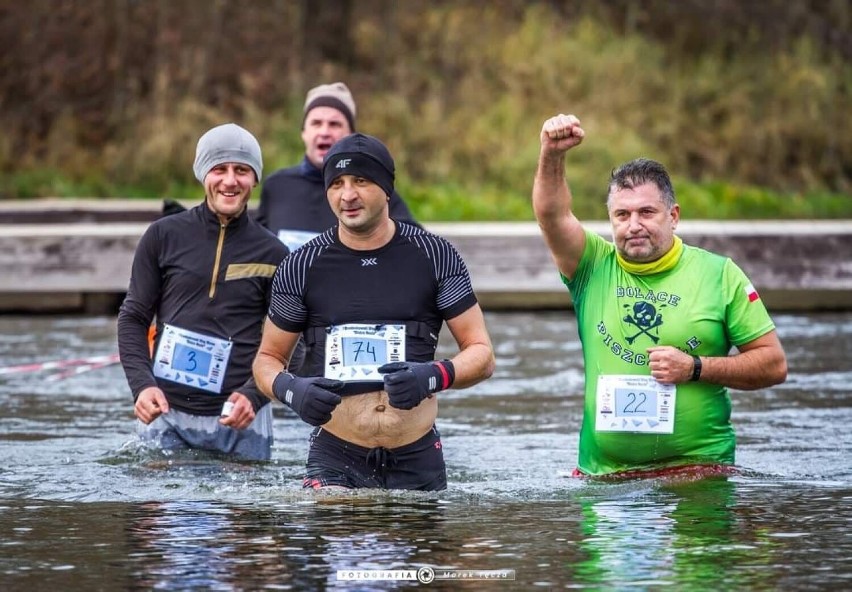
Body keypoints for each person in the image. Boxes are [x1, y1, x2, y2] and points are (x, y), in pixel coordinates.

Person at [532, 113, 787, 477]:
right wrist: (551, 155)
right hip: (605, 479)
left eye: (646, 212)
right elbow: (551, 215)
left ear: (674, 216)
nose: (633, 225)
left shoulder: (719, 274)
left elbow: (774, 365)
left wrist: (696, 368)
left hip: (697, 474)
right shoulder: (591, 266)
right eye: (621, 214)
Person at [253, 132, 495, 491]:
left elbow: (482, 354)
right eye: (336, 184)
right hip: (335, 457)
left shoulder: (435, 255)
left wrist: (431, 375)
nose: (347, 195)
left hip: (417, 455)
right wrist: (293, 390)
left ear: (386, 188)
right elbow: (266, 359)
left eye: (361, 181)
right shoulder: (301, 265)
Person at [117, 123, 290, 461]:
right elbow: (133, 318)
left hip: (242, 419)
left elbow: (291, 343)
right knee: (159, 510)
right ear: (202, 175)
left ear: (254, 179)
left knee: (239, 511)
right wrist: (142, 385)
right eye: (219, 169)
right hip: (164, 413)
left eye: (242, 170)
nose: (230, 181)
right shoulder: (162, 236)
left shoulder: (276, 254)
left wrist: (255, 396)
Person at [256, 82, 418, 252]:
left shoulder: (375, 190)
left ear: (351, 135)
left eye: (334, 124)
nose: (324, 132)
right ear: (303, 132)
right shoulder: (277, 185)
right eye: (316, 123)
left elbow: (415, 249)